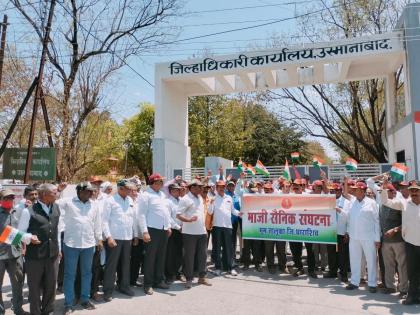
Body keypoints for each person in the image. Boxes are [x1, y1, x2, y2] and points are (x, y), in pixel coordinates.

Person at [59, 182, 102, 314]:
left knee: (87, 273)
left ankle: (85, 299)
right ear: (79, 191)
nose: (90, 194)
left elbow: (97, 223)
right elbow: (53, 200)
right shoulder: (68, 202)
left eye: (91, 192)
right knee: (69, 274)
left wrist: (99, 239)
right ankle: (68, 303)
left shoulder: (94, 205)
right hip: (71, 244)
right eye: (88, 191)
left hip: (89, 244)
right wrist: (59, 189)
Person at [18, 184, 61, 315]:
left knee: (50, 286)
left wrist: (59, 248)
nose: (57, 194)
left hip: (52, 255)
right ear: (44, 195)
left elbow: (57, 230)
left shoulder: (56, 207)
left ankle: (48, 311)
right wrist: (29, 237)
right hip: (34, 257)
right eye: (54, 192)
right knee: (34, 288)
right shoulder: (28, 211)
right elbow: (19, 233)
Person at [0, 189, 36, 315]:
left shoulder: (19, 211)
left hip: (15, 254)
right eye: (6, 198)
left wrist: (24, 244)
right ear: (1, 200)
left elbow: (22, 230)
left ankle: (18, 309)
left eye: (11, 198)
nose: (8, 200)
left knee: (17, 284)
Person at [102, 180, 137, 302]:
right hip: (114, 237)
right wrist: (109, 237)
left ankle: (124, 286)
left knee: (126, 264)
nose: (130, 191)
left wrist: (134, 235)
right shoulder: (110, 201)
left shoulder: (130, 200)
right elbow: (104, 220)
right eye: (128, 189)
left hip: (127, 237)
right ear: (121, 188)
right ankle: (108, 290)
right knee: (111, 265)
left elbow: (132, 219)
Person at [137, 173, 172, 295]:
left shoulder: (162, 195)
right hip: (151, 229)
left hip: (163, 230)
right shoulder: (145, 195)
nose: (161, 184)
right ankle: (148, 284)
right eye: (158, 182)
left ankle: (159, 280)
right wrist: (144, 232)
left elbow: (165, 212)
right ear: (152, 183)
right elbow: (141, 214)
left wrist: (167, 226)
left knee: (161, 257)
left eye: (161, 182)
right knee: (150, 258)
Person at [177, 179, 212, 289]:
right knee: (189, 256)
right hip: (189, 233)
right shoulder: (185, 199)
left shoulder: (200, 198)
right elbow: (178, 215)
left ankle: (202, 277)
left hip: (201, 232)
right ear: (192, 187)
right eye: (199, 187)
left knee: (203, 255)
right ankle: (188, 279)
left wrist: (204, 230)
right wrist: (188, 220)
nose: (201, 188)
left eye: (201, 187)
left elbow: (201, 215)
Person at [346, 181, 380, 293]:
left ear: (362, 190)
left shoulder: (371, 203)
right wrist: (348, 232)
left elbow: (376, 221)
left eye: (356, 189)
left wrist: (377, 238)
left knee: (371, 260)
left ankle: (372, 283)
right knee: (354, 260)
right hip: (354, 236)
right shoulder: (352, 202)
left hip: (369, 237)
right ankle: (354, 282)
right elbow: (349, 218)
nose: (354, 191)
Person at [377, 177, 408, 296]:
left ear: (393, 192)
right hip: (386, 241)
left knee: (402, 265)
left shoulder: (399, 204)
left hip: (398, 240)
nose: (384, 193)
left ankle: (404, 288)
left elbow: (405, 222)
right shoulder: (382, 205)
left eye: (387, 191)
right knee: (388, 265)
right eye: (382, 191)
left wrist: (395, 230)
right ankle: (390, 286)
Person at [208, 180, 241, 276]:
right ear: (217, 188)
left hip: (228, 226)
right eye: (219, 187)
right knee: (217, 248)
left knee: (229, 248)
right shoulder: (214, 198)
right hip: (217, 227)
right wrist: (211, 203)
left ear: (225, 187)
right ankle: (218, 268)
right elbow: (210, 212)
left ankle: (230, 268)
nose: (221, 188)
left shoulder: (229, 198)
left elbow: (233, 211)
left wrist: (239, 213)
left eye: (222, 187)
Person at [401, 182, 420, 305]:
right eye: (412, 191)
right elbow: (387, 201)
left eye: (416, 191)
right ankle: (412, 296)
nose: (414, 193)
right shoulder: (405, 204)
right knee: (412, 271)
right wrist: (385, 188)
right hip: (410, 243)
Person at [165, 183, 183, 283]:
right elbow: (168, 218)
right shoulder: (168, 202)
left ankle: (178, 273)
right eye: (176, 190)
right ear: (171, 191)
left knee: (180, 253)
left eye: (178, 190)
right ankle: (170, 274)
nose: (178, 191)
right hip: (173, 230)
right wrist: (177, 227)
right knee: (171, 253)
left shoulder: (181, 200)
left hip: (182, 229)